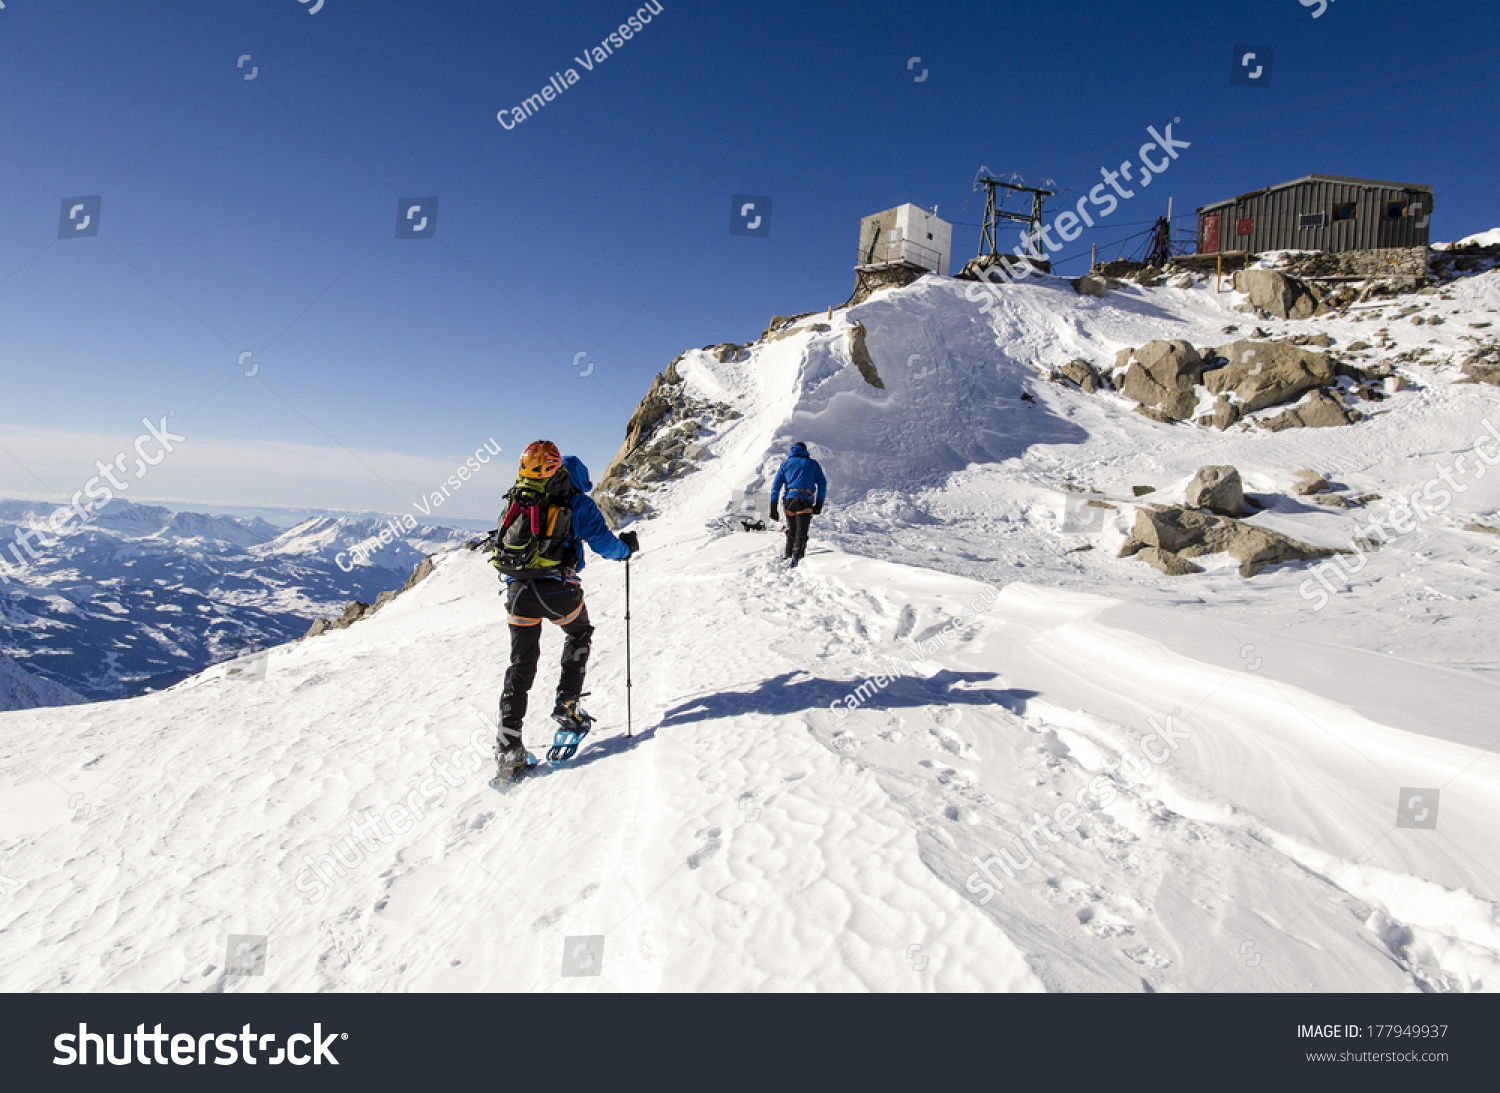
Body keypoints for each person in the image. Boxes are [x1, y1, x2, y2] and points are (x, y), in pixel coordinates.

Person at [493, 440, 638, 778]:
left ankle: (508, 746)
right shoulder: (578, 503)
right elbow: (605, 545)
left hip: (518, 592)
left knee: (521, 666)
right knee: (579, 633)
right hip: (559, 590)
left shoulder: (520, 497)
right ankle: (567, 707)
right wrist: (626, 549)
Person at [768, 441, 827, 567]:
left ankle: (788, 555)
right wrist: (819, 503)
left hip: (789, 501)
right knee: (802, 532)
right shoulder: (812, 464)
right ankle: (797, 558)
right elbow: (822, 483)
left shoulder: (785, 464)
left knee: (792, 530)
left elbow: (776, 486)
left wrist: (773, 506)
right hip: (805, 500)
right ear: (805, 451)